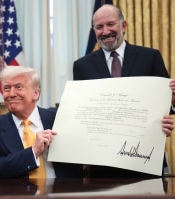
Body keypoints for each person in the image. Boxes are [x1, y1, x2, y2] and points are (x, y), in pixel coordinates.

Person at [73, 4, 175, 177]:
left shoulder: (150, 57)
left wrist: (172, 102)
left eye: (110, 24)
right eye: (99, 27)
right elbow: (81, 112)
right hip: (102, 166)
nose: (105, 31)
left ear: (124, 26)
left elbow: (167, 103)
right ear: (94, 31)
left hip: (145, 160)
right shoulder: (82, 66)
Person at [0, 66, 83, 179]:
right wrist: (34, 151)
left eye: (18, 87)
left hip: (63, 191)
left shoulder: (59, 118)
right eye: (7, 89)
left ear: (35, 94)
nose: (11, 94)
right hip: (19, 194)